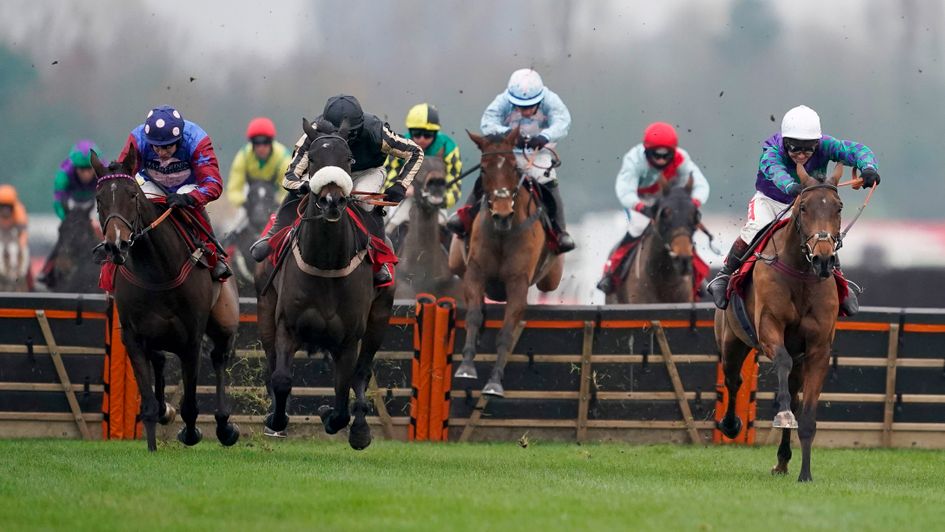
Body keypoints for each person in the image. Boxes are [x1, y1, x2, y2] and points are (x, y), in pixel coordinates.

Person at [706, 105, 880, 315]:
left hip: (805, 203)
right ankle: (724, 275)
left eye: (808, 149)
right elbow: (775, 171)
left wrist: (868, 167)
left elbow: (856, 150)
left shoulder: (826, 145)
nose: (801, 154)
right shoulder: (772, 150)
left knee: (821, 235)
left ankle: (840, 283)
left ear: (817, 143)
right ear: (785, 141)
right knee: (755, 228)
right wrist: (791, 186)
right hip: (769, 201)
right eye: (794, 148)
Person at [249, 94, 424, 286]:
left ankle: (379, 258)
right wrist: (302, 187)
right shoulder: (313, 133)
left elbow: (415, 151)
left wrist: (401, 184)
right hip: (326, 167)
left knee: (364, 204)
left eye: (350, 136)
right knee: (301, 196)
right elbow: (290, 175)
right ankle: (273, 236)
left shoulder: (376, 131)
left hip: (366, 172)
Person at [445, 68, 575, 252]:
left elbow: (563, 121)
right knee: (488, 175)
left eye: (531, 106)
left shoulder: (550, 99)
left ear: (539, 99)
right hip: (509, 152)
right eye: (521, 107)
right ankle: (465, 217)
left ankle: (560, 231)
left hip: (539, 153)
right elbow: (487, 122)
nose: (526, 111)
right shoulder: (503, 100)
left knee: (548, 179)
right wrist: (508, 135)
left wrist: (544, 136)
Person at [118, 105, 231, 281]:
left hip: (187, 189)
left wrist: (189, 198)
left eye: (167, 148)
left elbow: (213, 184)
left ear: (179, 140)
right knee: (134, 203)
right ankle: (111, 266)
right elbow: (123, 177)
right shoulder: (137, 139)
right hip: (152, 185)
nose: (161, 153)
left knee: (189, 202)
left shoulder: (197, 139)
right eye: (156, 148)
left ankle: (213, 256)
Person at [596, 122, 710, 294]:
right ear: (646, 151)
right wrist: (641, 207)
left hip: (670, 200)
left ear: (674, 152)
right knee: (637, 227)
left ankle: (696, 277)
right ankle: (610, 273)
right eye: (656, 155)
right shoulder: (633, 160)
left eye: (666, 156)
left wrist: (692, 204)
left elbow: (701, 186)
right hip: (640, 200)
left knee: (682, 230)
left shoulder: (682, 159)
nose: (661, 160)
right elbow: (624, 191)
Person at [383, 103, 462, 238]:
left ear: (436, 133)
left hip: (435, 200)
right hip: (406, 200)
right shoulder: (399, 144)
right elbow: (386, 179)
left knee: (448, 230)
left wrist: (442, 199)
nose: (422, 139)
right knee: (391, 225)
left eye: (428, 134)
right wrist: (401, 189)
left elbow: (454, 188)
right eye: (417, 134)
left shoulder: (449, 148)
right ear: (410, 132)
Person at [225, 117, 291, 209]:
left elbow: (288, 190)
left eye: (265, 142)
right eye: (257, 143)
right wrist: (244, 203)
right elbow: (234, 190)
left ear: (271, 141)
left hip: (274, 200)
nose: (261, 147)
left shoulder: (283, 158)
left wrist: (278, 204)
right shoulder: (243, 156)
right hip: (250, 199)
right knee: (234, 223)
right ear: (251, 143)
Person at [53, 140, 101, 220]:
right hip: (71, 203)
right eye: (82, 169)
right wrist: (67, 220)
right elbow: (58, 203)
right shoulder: (63, 175)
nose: (86, 174)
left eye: (89, 168)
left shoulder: (103, 172)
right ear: (75, 166)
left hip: (95, 204)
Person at [0, 184, 30, 285]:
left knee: (24, 251)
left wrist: (21, 244)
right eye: (2, 206)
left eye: (8, 207)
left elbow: (23, 232)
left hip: (13, 239)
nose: (5, 210)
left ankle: (23, 276)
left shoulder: (19, 211)